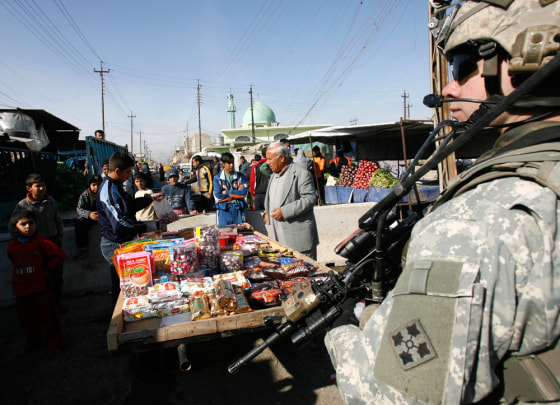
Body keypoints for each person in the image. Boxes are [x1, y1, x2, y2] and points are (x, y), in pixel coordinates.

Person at [325, 1, 560, 403]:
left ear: (529, 54)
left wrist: (345, 332)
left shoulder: (474, 222)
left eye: (463, 64)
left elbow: (392, 394)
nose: (448, 86)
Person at [97, 152, 165, 307]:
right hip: (114, 243)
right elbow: (119, 222)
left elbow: (130, 205)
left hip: (123, 240)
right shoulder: (108, 190)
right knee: (122, 285)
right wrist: (142, 227)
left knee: (128, 284)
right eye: (127, 172)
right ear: (117, 171)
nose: (129, 176)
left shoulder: (117, 187)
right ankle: (118, 317)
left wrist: (149, 198)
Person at [8, 209, 67, 353]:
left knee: (48, 318)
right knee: (27, 319)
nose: (28, 226)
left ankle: (54, 343)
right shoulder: (12, 246)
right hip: (21, 289)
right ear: (15, 226)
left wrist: (45, 268)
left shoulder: (42, 242)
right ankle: (33, 342)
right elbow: (13, 261)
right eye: (23, 224)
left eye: (31, 223)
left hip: (41, 287)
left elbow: (60, 255)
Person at [13, 173, 65, 312]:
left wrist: (60, 235)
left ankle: (57, 304)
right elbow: (14, 225)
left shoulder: (50, 201)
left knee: (57, 276)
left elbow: (57, 219)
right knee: (40, 278)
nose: (41, 188)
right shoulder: (23, 205)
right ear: (29, 188)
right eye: (37, 186)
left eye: (43, 185)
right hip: (35, 247)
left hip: (53, 242)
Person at [264, 142, 319, 260]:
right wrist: (267, 212)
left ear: (282, 158)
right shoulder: (274, 175)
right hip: (278, 239)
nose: (267, 162)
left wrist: (284, 211)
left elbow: (310, 198)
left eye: (269, 159)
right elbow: (270, 197)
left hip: (297, 242)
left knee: (304, 276)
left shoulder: (301, 173)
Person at [213, 152, 248, 226]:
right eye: (229, 163)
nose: (231, 165)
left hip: (239, 208)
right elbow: (218, 195)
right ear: (223, 164)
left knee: (241, 233)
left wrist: (227, 192)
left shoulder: (241, 177)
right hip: (224, 209)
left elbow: (243, 193)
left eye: (232, 162)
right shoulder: (217, 178)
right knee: (224, 233)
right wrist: (237, 194)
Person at [74, 174, 102, 259]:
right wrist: (89, 214)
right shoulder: (84, 195)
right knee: (80, 223)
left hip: (103, 216)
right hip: (90, 217)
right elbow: (79, 209)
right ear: (89, 185)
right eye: (94, 185)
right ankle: (82, 249)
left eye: (98, 184)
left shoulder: (105, 193)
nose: (96, 187)